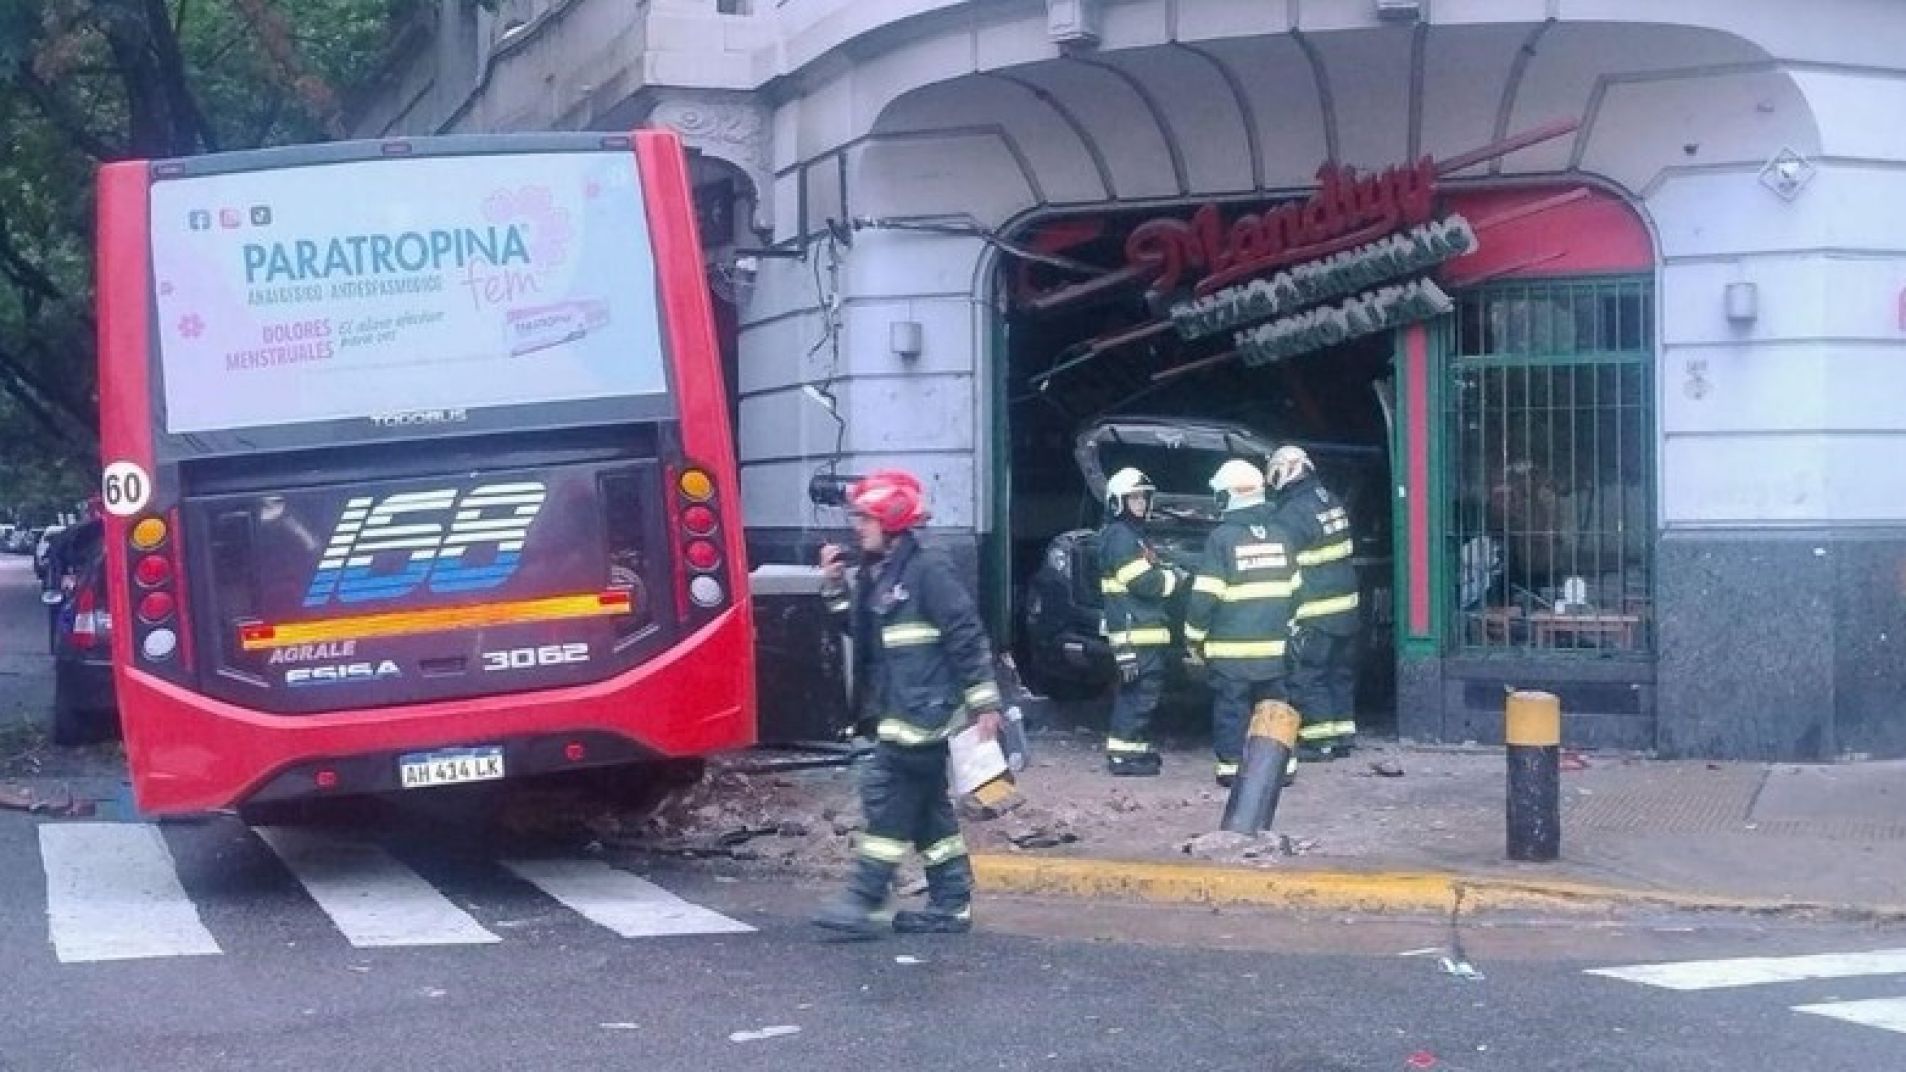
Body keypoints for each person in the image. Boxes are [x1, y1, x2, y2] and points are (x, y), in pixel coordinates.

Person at [813, 470, 1005, 939]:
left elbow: (965, 631)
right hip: (896, 712)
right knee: (927, 812)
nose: (858, 527)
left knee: (888, 800)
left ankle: (865, 898)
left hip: (923, 717)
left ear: (891, 521)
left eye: (865, 519)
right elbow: (863, 637)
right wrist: (835, 588)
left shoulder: (928, 568)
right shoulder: (880, 573)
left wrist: (984, 702)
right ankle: (951, 902)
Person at [1182, 460, 1300, 787]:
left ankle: (1232, 769)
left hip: (1231, 651)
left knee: (1232, 711)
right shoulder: (1280, 535)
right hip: (1273, 649)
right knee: (1274, 706)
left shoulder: (1222, 539)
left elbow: (1205, 595)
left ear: (1230, 497)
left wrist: (1193, 637)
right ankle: (1282, 767)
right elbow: (1296, 589)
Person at [1267, 445, 1363, 759]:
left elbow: (1280, 561)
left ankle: (1320, 741)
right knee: (1339, 673)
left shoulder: (1292, 512)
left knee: (1309, 675)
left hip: (1315, 609)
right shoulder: (1329, 499)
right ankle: (1343, 736)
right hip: (1345, 608)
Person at [1097, 467, 1181, 776]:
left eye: (1143, 498)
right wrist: (1174, 579)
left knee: (1144, 693)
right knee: (1137, 694)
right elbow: (1145, 583)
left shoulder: (1132, 536)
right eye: (1133, 498)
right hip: (1134, 633)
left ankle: (1135, 747)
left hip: (1142, 631)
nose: (1141, 504)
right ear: (1117, 502)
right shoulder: (1120, 537)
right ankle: (1123, 756)